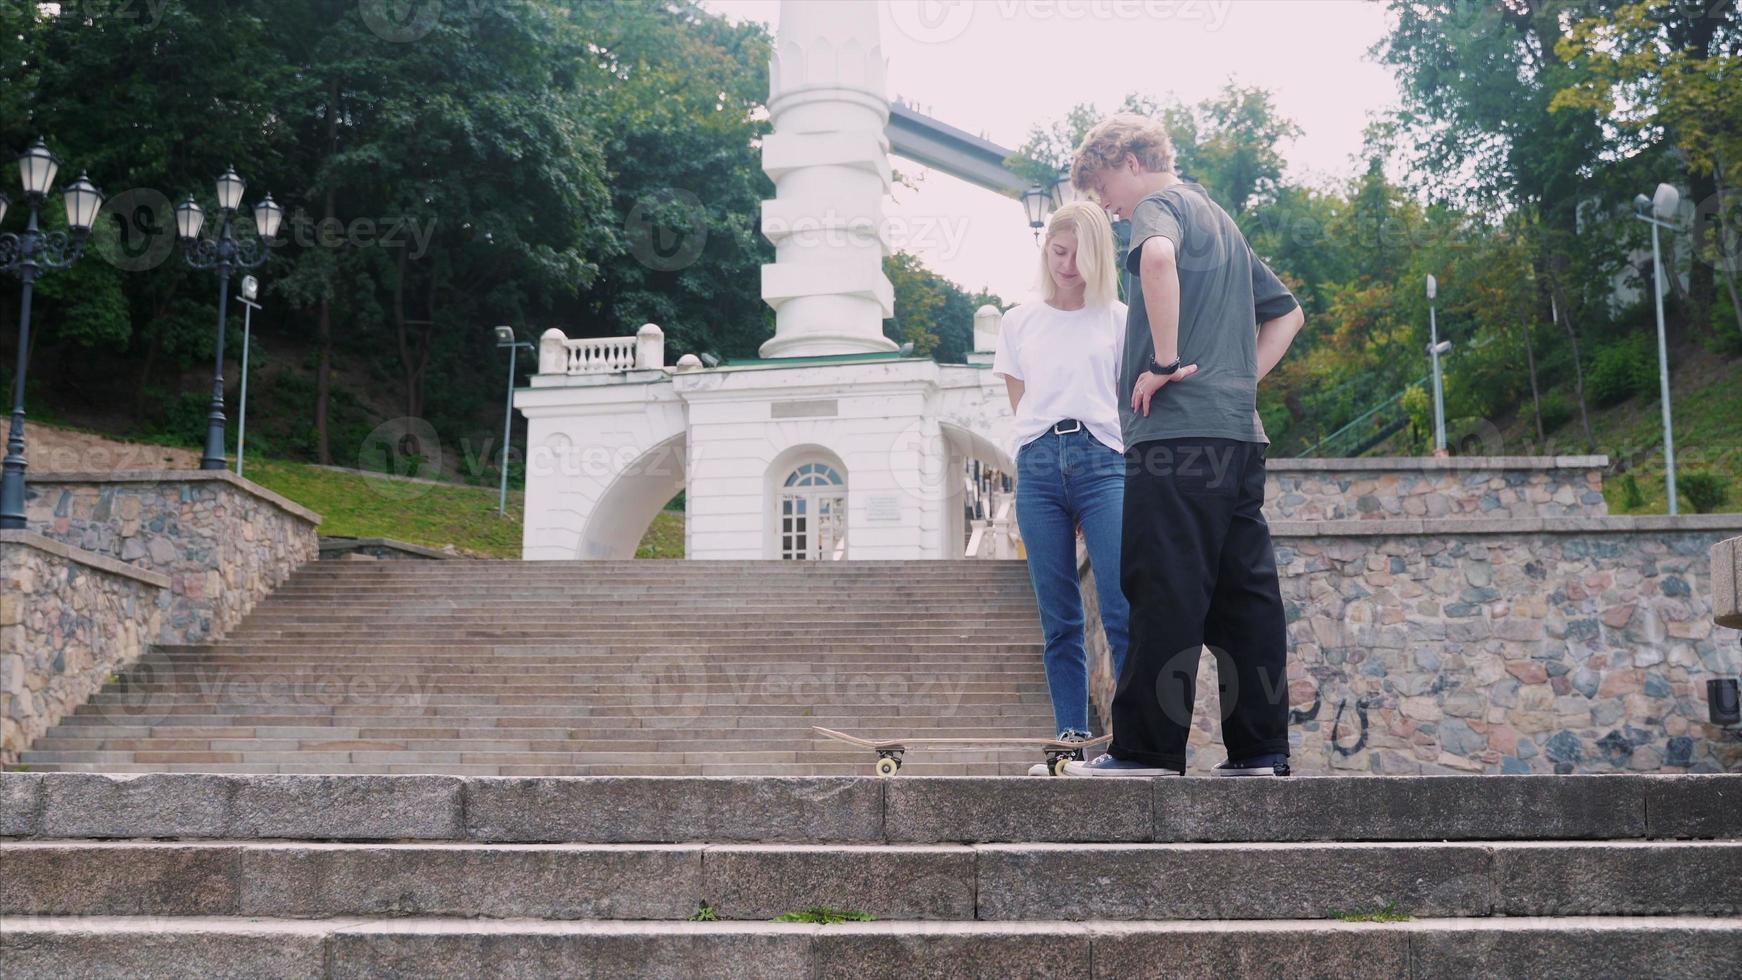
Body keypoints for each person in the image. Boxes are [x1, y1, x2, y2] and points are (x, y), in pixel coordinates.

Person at [1062, 114, 1307, 777]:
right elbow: (1289, 314)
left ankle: (1144, 752)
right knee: (1244, 600)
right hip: (1236, 440)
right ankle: (1260, 753)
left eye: (1104, 185)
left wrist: (1166, 363)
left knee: (1162, 588)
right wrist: (1238, 381)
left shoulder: (1161, 207)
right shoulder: (1221, 221)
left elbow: (1159, 259)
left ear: (1134, 161)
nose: (1107, 205)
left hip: (1174, 440)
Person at [992, 201, 1131, 774]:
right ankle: (1071, 741)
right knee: (1059, 616)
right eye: (1058, 250)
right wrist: (1049, 472)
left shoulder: (1120, 318)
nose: (1069, 264)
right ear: (1045, 248)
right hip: (1040, 464)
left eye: (1080, 253)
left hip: (1105, 461)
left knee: (1122, 606)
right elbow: (1021, 405)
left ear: (1100, 256)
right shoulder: (1017, 321)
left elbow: (1128, 402)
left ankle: (1140, 739)